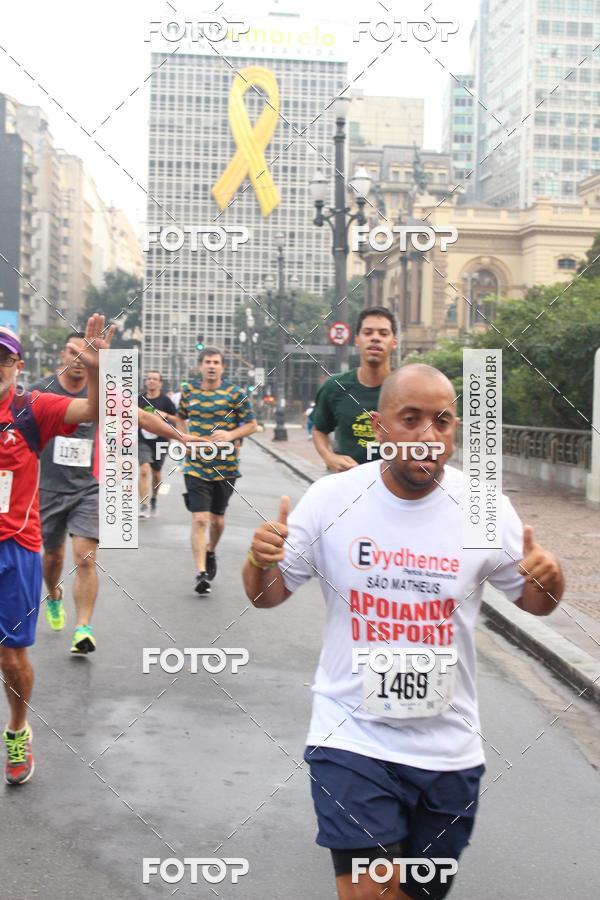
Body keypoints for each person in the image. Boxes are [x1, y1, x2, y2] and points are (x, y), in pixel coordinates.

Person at [243, 364, 564, 900]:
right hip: (350, 737)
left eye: (441, 421)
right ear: (377, 426)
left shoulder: (483, 508)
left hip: (449, 752)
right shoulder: (332, 498)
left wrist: (549, 581)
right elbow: (265, 594)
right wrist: (259, 561)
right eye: (410, 419)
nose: (427, 436)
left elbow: (534, 602)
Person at [0, 315, 114, 784]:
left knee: (10, 658)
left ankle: (18, 729)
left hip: (14, 549)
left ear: (16, 365)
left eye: (2, 359)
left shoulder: (32, 408)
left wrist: (100, 364)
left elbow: (92, 412)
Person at [29, 333, 103, 654]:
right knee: (53, 557)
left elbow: (132, 416)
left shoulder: (98, 392)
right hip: (47, 488)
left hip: (87, 488)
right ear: (63, 354)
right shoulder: (41, 390)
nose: (79, 360)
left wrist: (178, 435)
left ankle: (83, 628)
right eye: (74, 352)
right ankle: (54, 595)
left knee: (85, 557)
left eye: (86, 354)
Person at [177, 347, 257, 596]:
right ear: (200, 366)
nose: (211, 366)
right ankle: (201, 572)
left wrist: (231, 434)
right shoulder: (189, 391)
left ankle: (211, 550)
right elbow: (180, 417)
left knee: (217, 520)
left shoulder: (235, 393)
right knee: (201, 518)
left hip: (225, 466)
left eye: (216, 362)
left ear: (222, 367)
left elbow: (252, 425)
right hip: (196, 464)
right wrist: (183, 438)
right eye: (207, 362)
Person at [312, 307, 397, 471]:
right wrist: (329, 457)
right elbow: (319, 429)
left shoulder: (407, 390)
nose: (375, 338)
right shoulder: (334, 386)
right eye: (368, 332)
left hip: (394, 487)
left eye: (383, 333)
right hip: (346, 484)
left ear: (394, 342)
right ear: (357, 340)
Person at [138, 371, 177, 518]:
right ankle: (143, 504)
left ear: (160, 383)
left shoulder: (166, 401)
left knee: (156, 473)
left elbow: (177, 418)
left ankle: (154, 498)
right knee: (144, 470)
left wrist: (165, 415)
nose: (151, 381)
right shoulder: (139, 400)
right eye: (148, 378)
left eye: (155, 379)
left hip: (161, 440)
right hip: (142, 439)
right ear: (145, 382)